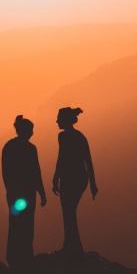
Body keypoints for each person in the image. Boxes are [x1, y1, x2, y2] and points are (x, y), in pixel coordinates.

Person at [2, 115, 47, 268]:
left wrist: (10, 189)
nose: (33, 133)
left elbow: (6, 172)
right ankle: (25, 256)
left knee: (15, 224)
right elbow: (36, 172)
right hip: (27, 193)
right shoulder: (29, 148)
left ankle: (14, 256)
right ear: (25, 130)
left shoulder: (9, 146)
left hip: (16, 193)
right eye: (31, 130)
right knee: (27, 225)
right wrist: (41, 192)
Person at [52, 107, 98, 255]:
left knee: (68, 211)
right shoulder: (75, 136)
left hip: (74, 178)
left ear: (65, 120)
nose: (57, 120)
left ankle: (72, 247)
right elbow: (65, 158)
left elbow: (86, 160)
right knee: (69, 212)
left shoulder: (69, 137)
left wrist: (93, 184)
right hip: (74, 177)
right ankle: (72, 245)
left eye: (59, 118)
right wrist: (56, 178)